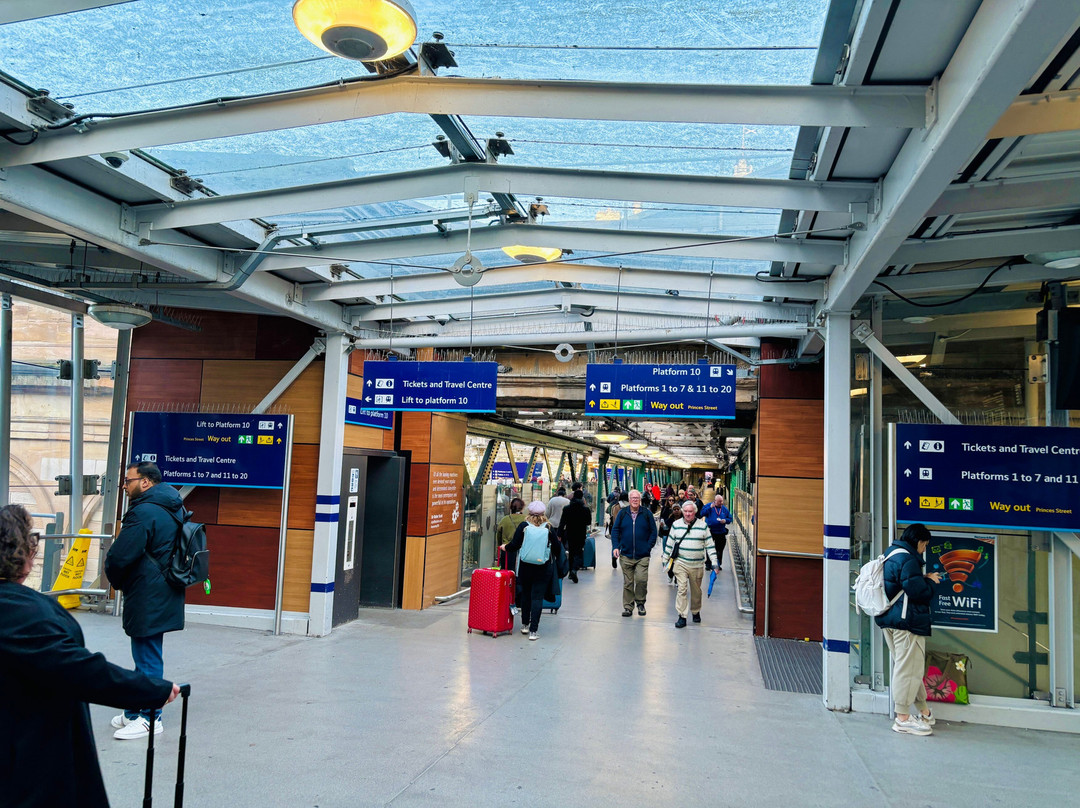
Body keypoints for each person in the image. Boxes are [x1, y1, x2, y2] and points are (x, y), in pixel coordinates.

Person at [0, 503, 179, 808]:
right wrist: (151, 690)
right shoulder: (23, 613)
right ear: (23, 556)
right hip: (29, 759)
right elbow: (76, 668)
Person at [104, 460, 187, 740]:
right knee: (144, 649)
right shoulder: (172, 505)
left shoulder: (144, 511)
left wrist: (117, 580)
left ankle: (151, 717)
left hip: (148, 591)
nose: (124, 486)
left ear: (145, 482)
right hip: (162, 588)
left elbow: (120, 556)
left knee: (147, 654)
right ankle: (134, 711)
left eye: (128, 481)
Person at [876, 523, 941, 736]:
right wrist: (931, 582)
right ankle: (902, 718)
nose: (924, 549)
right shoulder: (908, 559)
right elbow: (918, 593)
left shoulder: (892, 553)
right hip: (907, 622)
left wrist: (922, 579)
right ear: (919, 541)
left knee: (909, 668)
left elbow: (902, 584)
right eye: (925, 545)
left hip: (891, 619)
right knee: (908, 670)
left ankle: (924, 712)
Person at [505, 501, 564, 641]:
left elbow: (514, 545)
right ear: (543, 513)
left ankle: (525, 625)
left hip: (525, 566)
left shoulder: (524, 526)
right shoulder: (548, 527)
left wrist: (505, 547)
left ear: (529, 512)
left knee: (526, 595)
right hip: (543, 567)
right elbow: (557, 548)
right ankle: (533, 631)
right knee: (537, 598)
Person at [662, 500, 718, 628]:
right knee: (681, 589)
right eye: (685, 511)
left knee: (696, 591)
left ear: (695, 512)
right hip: (680, 563)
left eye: (690, 512)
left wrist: (714, 563)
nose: (687, 514)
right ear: (682, 511)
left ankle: (695, 610)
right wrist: (665, 560)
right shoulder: (676, 525)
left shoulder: (703, 526)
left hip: (697, 565)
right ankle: (682, 616)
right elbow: (669, 543)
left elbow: (710, 546)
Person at [610, 489, 658, 617]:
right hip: (626, 554)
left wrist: (648, 547)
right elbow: (615, 530)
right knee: (628, 582)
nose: (635, 500)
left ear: (640, 500)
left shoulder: (646, 514)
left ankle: (640, 603)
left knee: (641, 580)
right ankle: (628, 607)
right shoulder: (622, 513)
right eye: (633, 498)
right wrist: (616, 547)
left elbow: (654, 532)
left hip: (643, 555)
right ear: (629, 500)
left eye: (637, 498)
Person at [559, 489, 591, 583]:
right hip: (581, 533)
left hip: (570, 533)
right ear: (582, 497)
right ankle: (574, 569)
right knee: (579, 551)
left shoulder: (567, 508)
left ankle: (570, 571)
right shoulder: (585, 509)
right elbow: (588, 522)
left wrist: (559, 534)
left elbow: (562, 522)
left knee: (571, 552)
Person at [700, 493, 732, 571]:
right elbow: (702, 513)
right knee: (709, 548)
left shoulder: (724, 509)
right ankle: (708, 564)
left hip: (721, 532)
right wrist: (709, 508)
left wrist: (725, 520)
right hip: (710, 531)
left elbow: (730, 518)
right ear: (715, 501)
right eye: (719, 501)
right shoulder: (709, 506)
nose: (721, 503)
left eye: (722, 501)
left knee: (719, 549)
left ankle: (717, 564)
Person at [495, 497, 526, 568]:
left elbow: (499, 536)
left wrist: (499, 547)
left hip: (506, 550)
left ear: (511, 507)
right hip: (522, 551)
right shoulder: (526, 519)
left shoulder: (504, 520)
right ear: (522, 508)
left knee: (507, 571)